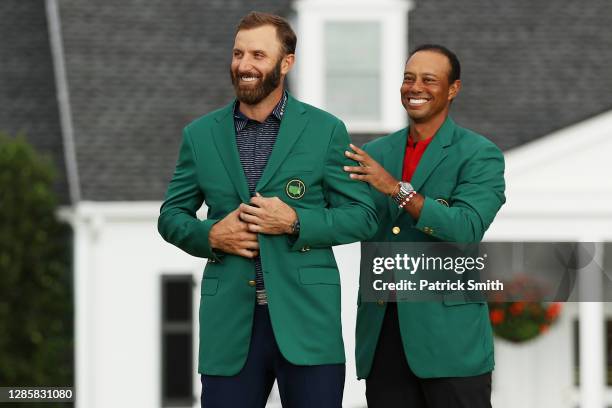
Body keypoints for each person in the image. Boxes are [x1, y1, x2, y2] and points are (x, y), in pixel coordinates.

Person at [157, 11, 377, 408]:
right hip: (230, 327)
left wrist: (296, 222)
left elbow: (363, 214)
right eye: (238, 53)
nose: (244, 64)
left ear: (286, 62)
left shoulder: (326, 130)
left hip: (308, 322)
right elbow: (171, 216)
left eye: (258, 54)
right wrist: (209, 236)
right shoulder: (200, 135)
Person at [344, 44, 506, 408]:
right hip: (384, 334)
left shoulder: (480, 154)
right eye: (408, 78)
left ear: (453, 89)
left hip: (452, 343)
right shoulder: (376, 153)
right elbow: (350, 218)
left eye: (429, 80)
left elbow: (467, 228)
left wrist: (396, 190)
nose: (415, 87)